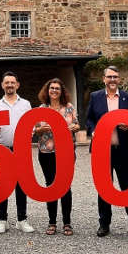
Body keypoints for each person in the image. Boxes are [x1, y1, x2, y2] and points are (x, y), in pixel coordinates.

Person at [85, 66, 128, 238]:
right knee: (104, 188)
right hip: (102, 151)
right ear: (103, 79)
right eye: (109, 77)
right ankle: (104, 224)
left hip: (123, 150)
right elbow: (89, 119)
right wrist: (94, 130)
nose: (112, 80)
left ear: (119, 80)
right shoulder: (95, 97)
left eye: (115, 77)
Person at [0, 71, 35, 234]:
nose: (9, 85)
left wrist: (27, 137)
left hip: (20, 150)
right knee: (2, 185)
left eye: (12, 82)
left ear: (17, 85)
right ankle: (2, 220)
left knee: (21, 185)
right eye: (6, 82)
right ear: (2, 85)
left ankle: (22, 219)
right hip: (2, 149)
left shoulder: (26, 104)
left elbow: (31, 126)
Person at [35, 78, 79, 236]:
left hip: (65, 152)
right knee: (51, 185)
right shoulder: (41, 108)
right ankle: (52, 222)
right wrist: (41, 129)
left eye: (57, 88)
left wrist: (73, 127)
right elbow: (35, 130)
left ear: (62, 92)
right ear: (47, 91)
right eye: (51, 88)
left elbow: (76, 124)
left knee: (65, 186)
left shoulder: (69, 107)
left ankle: (67, 223)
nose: (54, 91)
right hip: (46, 152)